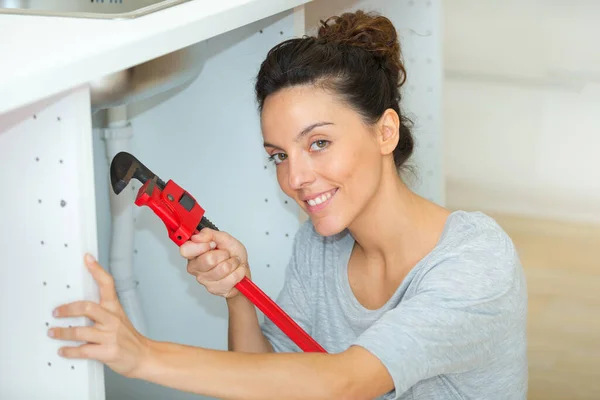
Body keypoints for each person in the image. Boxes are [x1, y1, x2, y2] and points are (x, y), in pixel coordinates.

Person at [48, 10, 528, 399]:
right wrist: (239, 294)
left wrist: (142, 356)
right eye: (278, 155)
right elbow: (272, 381)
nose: (294, 178)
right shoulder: (319, 247)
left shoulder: (474, 261)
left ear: (385, 132)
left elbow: (346, 382)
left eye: (318, 143)